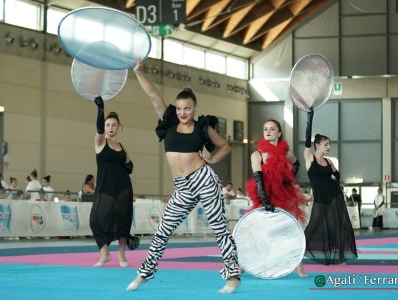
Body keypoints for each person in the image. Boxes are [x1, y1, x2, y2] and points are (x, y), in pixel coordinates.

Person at [127, 60, 240, 294]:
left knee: (218, 227)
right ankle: (145, 272)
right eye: (179, 109)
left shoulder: (202, 127)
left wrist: (213, 159)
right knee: (163, 229)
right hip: (182, 187)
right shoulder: (168, 123)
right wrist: (139, 72)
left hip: (203, 179)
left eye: (187, 108)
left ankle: (233, 276)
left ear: (194, 107)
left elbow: (225, 146)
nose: (182, 113)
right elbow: (153, 95)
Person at [245, 119, 308, 277]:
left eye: (272, 129)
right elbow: (258, 179)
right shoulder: (257, 154)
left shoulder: (287, 153)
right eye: (265, 129)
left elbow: (297, 164)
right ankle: (240, 267)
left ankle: (299, 268)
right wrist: (264, 200)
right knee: (257, 232)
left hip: (285, 194)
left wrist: (289, 177)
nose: (268, 131)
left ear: (279, 133)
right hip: (265, 195)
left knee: (292, 230)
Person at [89, 97, 139, 268]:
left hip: (123, 187)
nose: (111, 128)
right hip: (105, 187)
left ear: (119, 127)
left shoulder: (121, 146)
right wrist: (100, 109)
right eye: (108, 124)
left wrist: (127, 164)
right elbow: (98, 128)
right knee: (95, 219)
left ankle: (122, 256)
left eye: (114, 125)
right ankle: (105, 254)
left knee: (123, 221)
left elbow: (130, 166)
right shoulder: (100, 141)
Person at [303, 108, 357, 265]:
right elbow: (307, 138)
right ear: (317, 145)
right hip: (320, 199)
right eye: (326, 144)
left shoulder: (329, 162)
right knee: (313, 226)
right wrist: (309, 117)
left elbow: (338, 174)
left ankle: (340, 258)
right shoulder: (309, 158)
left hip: (334, 195)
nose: (328, 147)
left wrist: (336, 183)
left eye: (329, 144)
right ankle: (298, 250)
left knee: (339, 226)